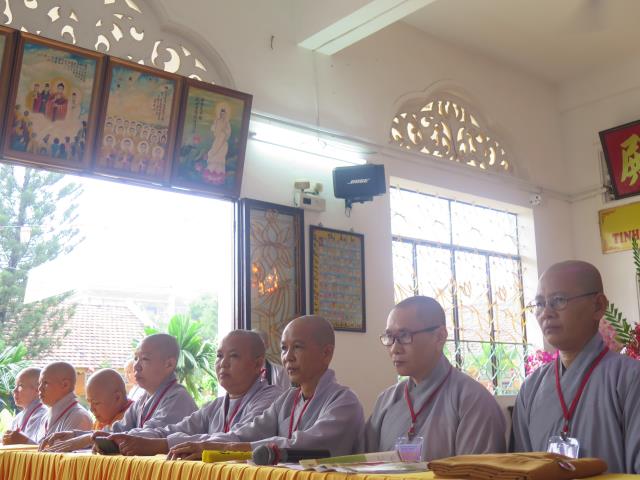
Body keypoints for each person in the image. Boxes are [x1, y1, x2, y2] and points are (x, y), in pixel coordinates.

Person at [167, 315, 365, 460]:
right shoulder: (287, 400)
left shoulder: (344, 401)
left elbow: (304, 445)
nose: (288, 357)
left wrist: (224, 448)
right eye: (284, 348)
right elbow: (245, 434)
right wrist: (207, 446)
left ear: (326, 353)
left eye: (297, 347)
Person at [512, 261, 640, 474]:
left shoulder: (630, 379)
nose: (546, 313)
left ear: (598, 306)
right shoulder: (530, 389)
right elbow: (519, 471)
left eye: (558, 300)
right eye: (540, 303)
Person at [365, 296, 506, 461]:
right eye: (390, 337)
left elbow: (478, 471)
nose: (395, 348)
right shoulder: (386, 401)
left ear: (439, 336)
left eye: (404, 335)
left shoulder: (473, 401)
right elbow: (363, 465)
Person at [104, 330, 283, 456]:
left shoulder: (271, 399)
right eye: (220, 356)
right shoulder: (216, 405)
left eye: (234, 356)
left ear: (258, 364)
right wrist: (121, 439)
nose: (223, 363)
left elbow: (238, 439)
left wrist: (160, 445)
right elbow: (177, 429)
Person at [42, 334, 197, 452]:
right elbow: (118, 430)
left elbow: (149, 436)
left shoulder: (178, 399)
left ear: (169, 364)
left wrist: (88, 439)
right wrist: (75, 435)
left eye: (144, 359)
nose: (136, 366)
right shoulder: (143, 400)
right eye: (135, 358)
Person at [40, 368, 133, 452]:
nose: (91, 409)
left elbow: (118, 436)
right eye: (89, 403)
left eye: (96, 403)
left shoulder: (131, 415)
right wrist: (75, 435)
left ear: (117, 397)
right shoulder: (104, 419)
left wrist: (85, 439)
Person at [34, 362, 92, 443]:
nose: (39, 389)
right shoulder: (45, 416)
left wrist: (26, 441)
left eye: (45, 383)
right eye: (39, 383)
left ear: (65, 385)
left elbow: (66, 450)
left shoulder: (79, 416)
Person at [2, 368, 46, 445]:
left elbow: (44, 449)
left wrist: (25, 441)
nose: (14, 391)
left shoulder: (43, 416)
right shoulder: (18, 417)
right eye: (15, 386)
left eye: (20, 386)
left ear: (38, 389)